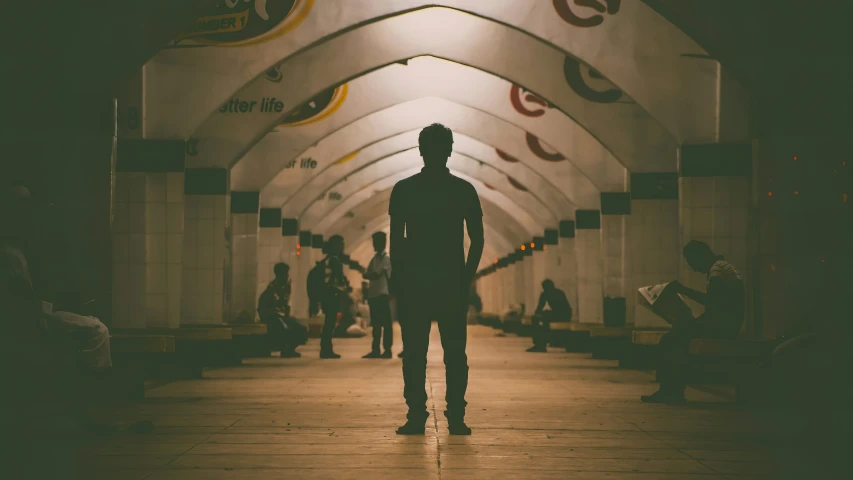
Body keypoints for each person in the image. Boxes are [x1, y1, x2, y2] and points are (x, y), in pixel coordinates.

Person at [390, 123, 484, 435]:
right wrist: (465, 279)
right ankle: (456, 416)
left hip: (414, 283)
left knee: (414, 353)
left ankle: (416, 415)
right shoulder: (464, 190)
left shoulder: (403, 189)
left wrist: (400, 280)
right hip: (451, 284)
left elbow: (396, 242)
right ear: (450, 150)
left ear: (420, 150)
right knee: (455, 354)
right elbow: (478, 240)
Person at [1, 186, 111, 368]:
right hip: (27, 323)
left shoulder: (15, 250)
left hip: (32, 317)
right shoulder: (8, 255)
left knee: (94, 324)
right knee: (98, 330)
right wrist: (52, 308)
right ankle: (95, 384)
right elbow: (22, 304)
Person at [641, 240, 745, 404]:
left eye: (692, 263)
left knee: (670, 340)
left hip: (723, 326)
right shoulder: (723, 266)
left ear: (700, 256)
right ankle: (670, 390)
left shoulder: (717, 269)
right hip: (727, 323)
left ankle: (670, 391)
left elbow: (713, 301)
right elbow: (720, 305)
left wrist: (683, 290)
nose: (694, 268)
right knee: (677, 336)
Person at [257, 263, 307, 358]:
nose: (287, 276)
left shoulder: (285, 285)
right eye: (285, 274)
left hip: (281, 316)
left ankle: (289, 348)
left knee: (300, 328)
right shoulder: (272, 288)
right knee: (285, 328)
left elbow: (285, 304)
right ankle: (285, 349)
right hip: (272, 316)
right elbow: (265, 307)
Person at [313, 235, 349, 359]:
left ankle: (326, 348)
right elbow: (339, 278)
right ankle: (326, 350)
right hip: (332, 294)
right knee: (330, 322)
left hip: (326, 294)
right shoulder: (334, 260)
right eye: (340, 244)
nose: (341, 247)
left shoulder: (327, 259)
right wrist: (345, 289)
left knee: (329, 322)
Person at [362, 232, 394, 358]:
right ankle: (375, 349)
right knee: (376, 324)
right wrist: (368, 274)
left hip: (382, 294)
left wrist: (368, 274)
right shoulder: (374, 258)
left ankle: (387, 350)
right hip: (374, 294)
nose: (374, 245)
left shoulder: (386, 259)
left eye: (376, 242)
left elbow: (374, 274)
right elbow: (368, 273)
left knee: (385, 323)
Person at [527, 279, 573, 353]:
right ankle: (540, 343)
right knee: (540, 319)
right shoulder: (553, 293)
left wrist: (540, 314)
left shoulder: (555, 293)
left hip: (562, 315)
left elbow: (560, 309)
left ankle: (540, 344)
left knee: (541, 320)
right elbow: (539, 308)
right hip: (561, 314)